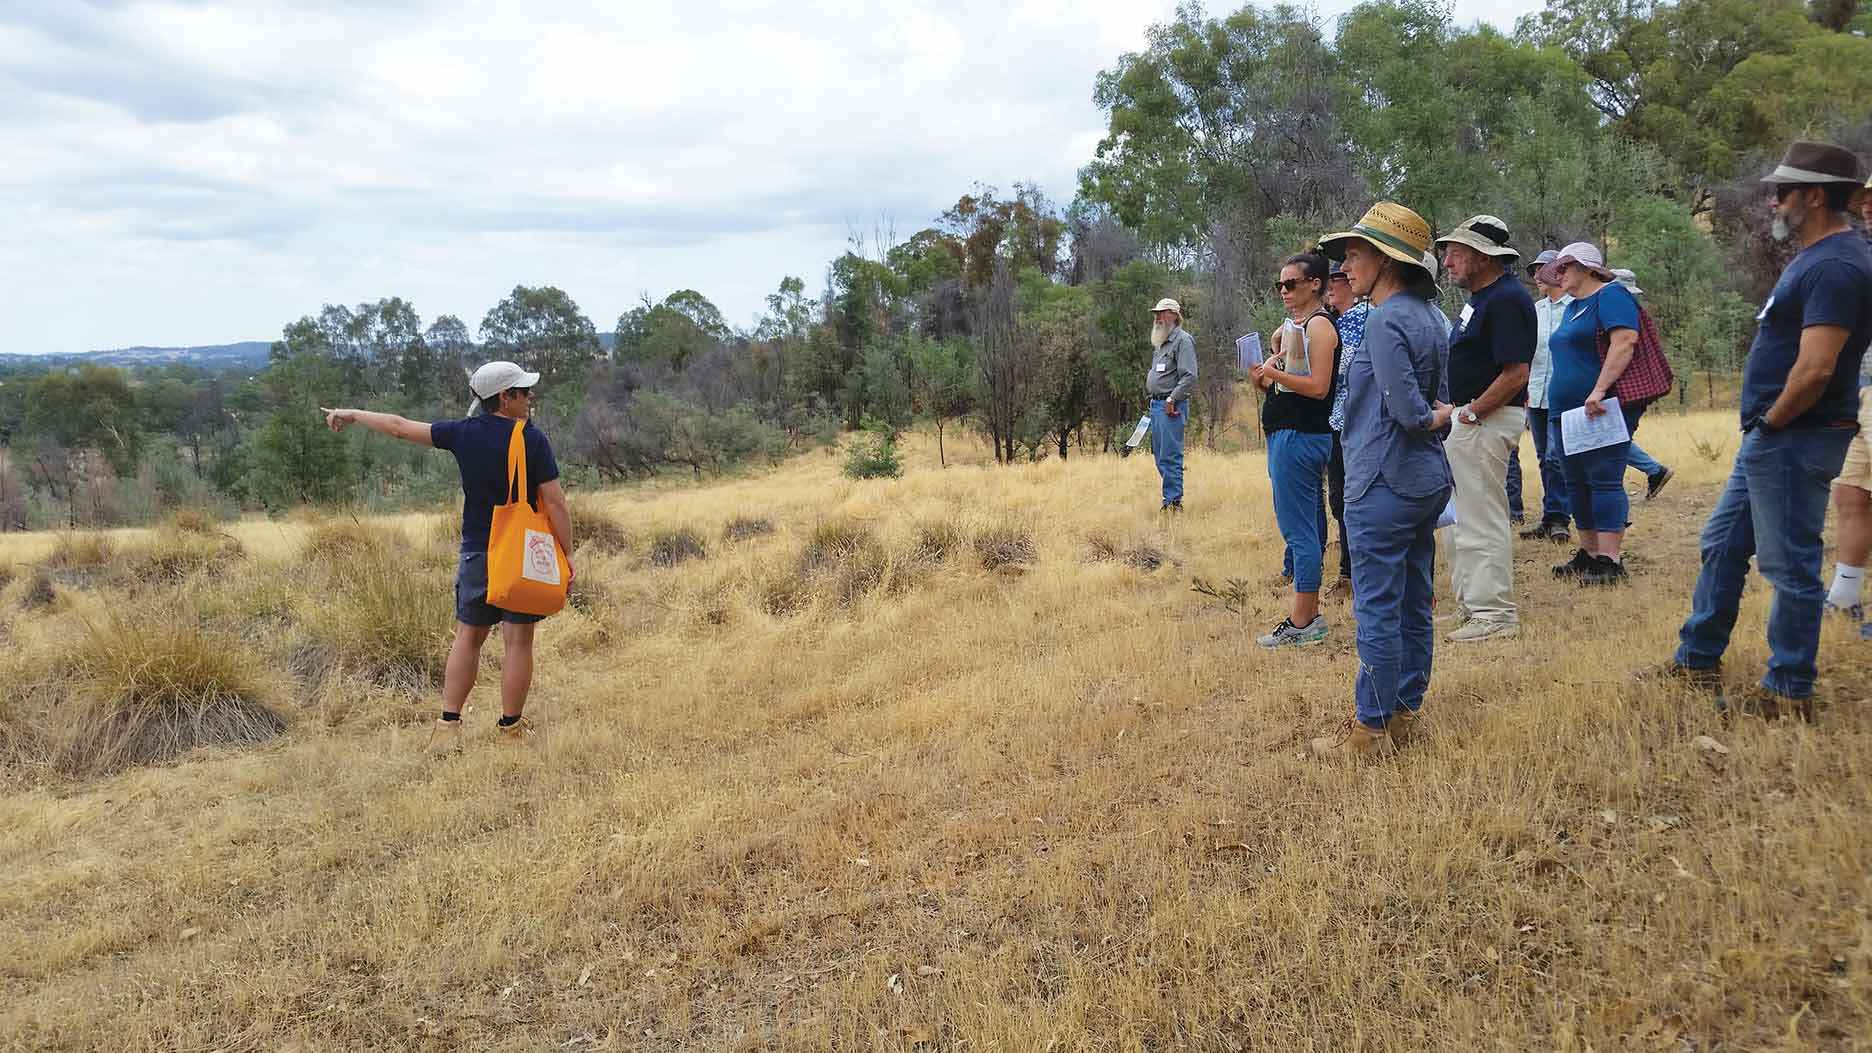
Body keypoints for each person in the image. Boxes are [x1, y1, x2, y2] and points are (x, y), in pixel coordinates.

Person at [1663, 141, 1872, 721]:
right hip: (1776, 438)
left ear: (1813, 196)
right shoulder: (1821, 258)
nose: (1774, 202)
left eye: (1783, 191)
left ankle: (1788, 689)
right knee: (1722, 545)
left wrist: (1773, 422)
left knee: (1791, 566)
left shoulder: (1834, 263)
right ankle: (1697, 659)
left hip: (1793, 437)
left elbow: (1817, 366)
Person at [321, 360, 575, 751]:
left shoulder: (462, 434)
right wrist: (566, 553)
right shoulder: (532, 439)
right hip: (520, 553)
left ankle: (448, 727)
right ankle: (510, 728)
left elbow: (399, 426)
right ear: (504, 398)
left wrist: (352, 414)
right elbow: (556, 502)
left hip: (476, 551)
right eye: (523, 392)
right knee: (518, 642)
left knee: (468, 638)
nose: (530, 397)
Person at [1309, 203, 1453, 759]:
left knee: (1377, 604)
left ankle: (1370, 729)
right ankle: (1405, 713)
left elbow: (1411, 411)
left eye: (1354, 254)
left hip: (1383, 481)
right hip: (1422, 480)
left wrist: (1441, 415)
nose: (1345, 266)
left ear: (1387, 259)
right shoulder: (1428, 316)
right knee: (1415, 598)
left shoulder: (1387, 319)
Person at [1436, 216, 1536, 642]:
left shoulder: (1508, 299)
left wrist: (1473, 412)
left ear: (1482, 256)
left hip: (1486, 421)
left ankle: (1494, 614)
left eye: (1456, 254)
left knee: (1481, 518)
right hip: (1469, 418)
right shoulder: (1482, 298)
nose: (1447, 262)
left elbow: (1516, 373)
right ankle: (1470, 607)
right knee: (1460, 521)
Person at [1539, 242, 1643, 586]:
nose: (1559, 275)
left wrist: (1599, 390)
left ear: (1586, 268)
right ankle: (1588, 553)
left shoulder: (1611, 296)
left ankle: (1610, 560)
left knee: (1603, 479)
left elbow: (1625, 340)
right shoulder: (1573, 306)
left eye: (1564, 268)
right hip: (1566, 411)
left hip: (1600, 408)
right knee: (1575, 482)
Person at [1253, 254, 1340, 647]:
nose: (1284, 292)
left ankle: (1304, 620)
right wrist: (1268, 378)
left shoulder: (1320, 328)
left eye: (1291, 284)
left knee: (1298, 530)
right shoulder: (1297, 328)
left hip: (1300, 437)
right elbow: (1291, 384)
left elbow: (1319, 387)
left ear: (1315, 284)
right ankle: (1307, 615)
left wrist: (1273, 372)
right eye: (1280, 285)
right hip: (1288, 433)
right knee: (1306, 525)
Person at [1609, 268, 1676, 501]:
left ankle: (1617, 495)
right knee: (1617, 438)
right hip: (1635, 391)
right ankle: (1655, 471)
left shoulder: (1624, 316)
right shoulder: (1636, 313)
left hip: (1625, 390)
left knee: (1613, 440)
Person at [1521, 249, 1573, 543]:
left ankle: (1560, 518)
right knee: (1544, 458)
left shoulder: (1574, 306)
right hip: (1536, 395)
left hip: (1563, 395)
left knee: (1556, 457)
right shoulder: (1535, 310)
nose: (1537, 275)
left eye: (1542, 268)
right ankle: (1551, 517)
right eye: (1534, 270)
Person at [1324, 260, 1368, 595]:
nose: (1330, 287)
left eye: (1335, 280)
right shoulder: (1336, 320)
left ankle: (1353, 572)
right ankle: (1348, 570)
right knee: (1340, 498)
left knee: (1351, 499)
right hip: (1339, 422)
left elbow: (1342, 371)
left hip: (1356, 423)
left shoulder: (1359, 318)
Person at [1146, 298, 1197, 511]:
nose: (1157, 317)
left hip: (1171, 407)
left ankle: (1173, 503)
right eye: (1156, 313)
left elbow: (1189, 376)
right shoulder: (1161, 341)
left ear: (1175, 315)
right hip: (1157, 406)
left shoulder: (1183, 341)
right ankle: (1171, 498)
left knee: (1170, 455)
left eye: (1162, 313)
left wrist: (1171, 399)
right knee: (1159, 456)